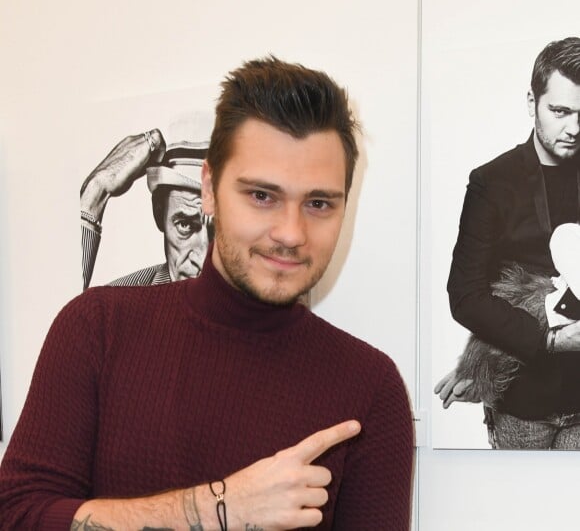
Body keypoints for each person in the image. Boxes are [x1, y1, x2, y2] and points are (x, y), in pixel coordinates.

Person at [0, 56, 414, 530]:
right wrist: (219, 508)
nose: (291, 232)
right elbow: (17, 516)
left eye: (318, 203)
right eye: (262, 196)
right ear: (210, 189)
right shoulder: (97, 327)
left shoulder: (369, 386)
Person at [435, 37, 580, 449]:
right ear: (531, 101)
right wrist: (543, 343)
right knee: (519, 513)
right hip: (521, 403)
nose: (574, 128)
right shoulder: (492, 182)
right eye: (560, 111)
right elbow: (465, 295)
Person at [80, 131, 213, 290]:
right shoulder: (116, 304)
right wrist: (96, 192)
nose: (203, 260)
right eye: (185, 225)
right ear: (158, 213)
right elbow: (63, 313)